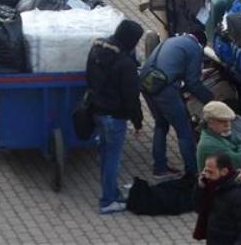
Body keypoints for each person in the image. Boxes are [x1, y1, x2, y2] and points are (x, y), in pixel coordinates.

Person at [86, 19, 145, 214]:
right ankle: (108, 200)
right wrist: (138, 122)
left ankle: (111, 192)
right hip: (115, 116)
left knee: (104, 154)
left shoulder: (97, 47)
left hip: (97, 111)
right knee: (112, 158)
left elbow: (89, 77)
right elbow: (131, 97)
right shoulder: (126, 64)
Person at [139, 33, 214, 178]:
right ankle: (192, 172)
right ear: (201, 44)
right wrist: (211, 100)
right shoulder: (195, 48)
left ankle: (159, 168)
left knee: (161, 124)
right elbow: (193, 83)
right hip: (164, 89)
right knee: (184, 130)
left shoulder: (173, 40)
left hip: (146, 82)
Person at [193, 154, 241, 245]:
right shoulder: (211, 187)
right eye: (205, 170)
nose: (206, 175)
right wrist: (200, 188)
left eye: (210, 172)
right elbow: (198, 207)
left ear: (224, 171)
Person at [196, 102, 241, 175]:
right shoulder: (210, 144)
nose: (228, 124)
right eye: (222, 121)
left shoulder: (218, 134)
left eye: (229, 120)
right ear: (210, 122)